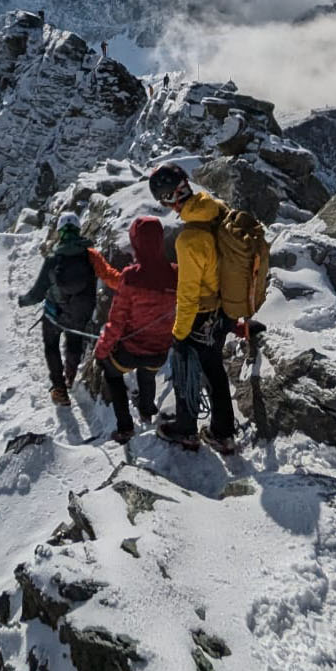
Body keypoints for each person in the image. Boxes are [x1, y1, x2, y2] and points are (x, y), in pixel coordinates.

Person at [147, 164, 237, 454]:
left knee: (185, 366)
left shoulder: (189, 240)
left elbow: (188, 295)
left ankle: (186, 429)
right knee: (214, 369)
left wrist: (179, 332)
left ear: (168, 199)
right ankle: (223, 432)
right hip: (226, 310)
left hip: (203, 314)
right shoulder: (218, 210)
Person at [90, 217, 178, 444]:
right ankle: (147, 411)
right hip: (159, 351)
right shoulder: (176, 274)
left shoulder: (131, 276)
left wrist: (101, 350)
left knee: (112, 374)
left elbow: (116, 321)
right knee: (147, 374)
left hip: (129, 351)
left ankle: (125, 427)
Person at [18, 211, 97, 406]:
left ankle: (59, 389)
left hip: (54, 314)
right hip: (79, 314)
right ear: (78, 230)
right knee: (74, 342)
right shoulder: (90, 256)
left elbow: (37, 293)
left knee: (51, 346)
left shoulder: (53, 260)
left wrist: (22, 301)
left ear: (60, 232)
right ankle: (70, 376)